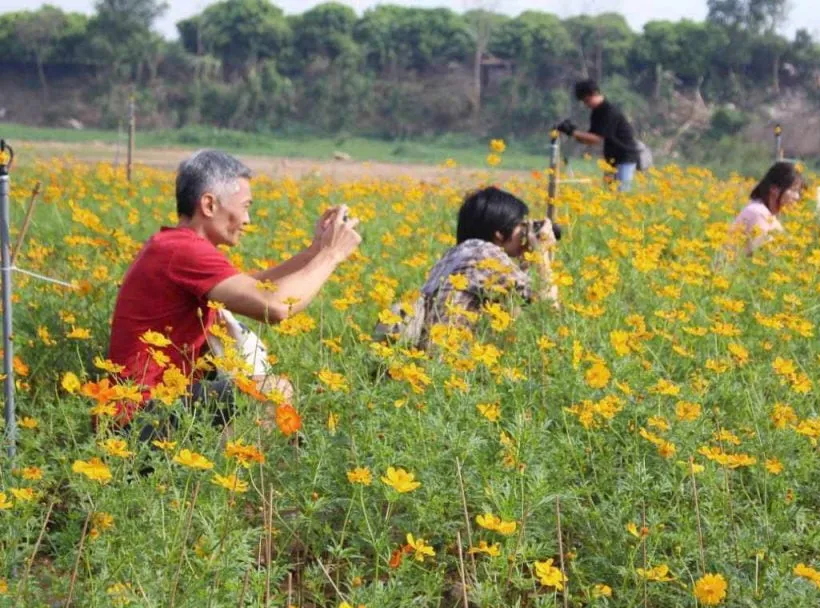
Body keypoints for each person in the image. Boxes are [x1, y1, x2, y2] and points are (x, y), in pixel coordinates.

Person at [107, 149, 361, 434]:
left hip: (151, 406)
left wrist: (316, 250)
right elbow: (274, 306)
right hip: (139, 416)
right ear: (209, 205)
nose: (248, 219)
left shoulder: (175, 245)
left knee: (257, 387)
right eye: (245, 206)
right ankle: (234, 472)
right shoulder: (183, 250)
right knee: (273, 391)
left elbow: (256, 285)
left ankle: (225, 467)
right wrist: (331, 255)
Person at [374, 186, 558, 350]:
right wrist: (541, 253)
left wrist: (526, 261)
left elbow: (516, 301)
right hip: (455, 364)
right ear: (500, 233)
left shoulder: (456, 254)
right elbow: (548, 308)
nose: (525, 235)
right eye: (521, 226)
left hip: (428, 360)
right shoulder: (486, 254)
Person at [556, 79, 640, 191]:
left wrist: (572, 132)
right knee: (608, 194)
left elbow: (596, 139)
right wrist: (572, 131)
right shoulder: (597, 112)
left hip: (625, 158)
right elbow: (589, 139)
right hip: (611, 160)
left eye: (586, 101)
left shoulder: (609, 111)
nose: (586, 105)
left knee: (621, 194)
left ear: (593, 94)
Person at [726, 161, 803, 258]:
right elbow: (760, 257)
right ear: (774, 189)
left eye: (798, 192)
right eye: (793, 190)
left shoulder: (767, 213)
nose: (797, 197)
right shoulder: (759, 213)